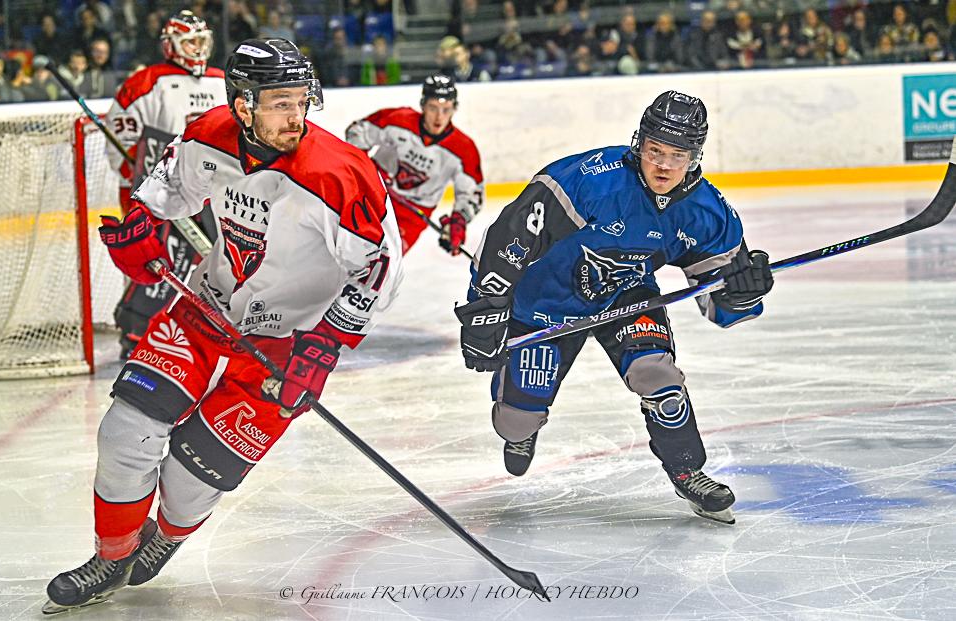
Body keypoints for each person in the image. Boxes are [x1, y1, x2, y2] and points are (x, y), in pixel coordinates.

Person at [43, 37, 402, 613]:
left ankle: (167, 536)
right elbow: (168, 189)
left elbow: (381, 268)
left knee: (193, 481)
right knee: (125, 434)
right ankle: (111, 558)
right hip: (204, 311)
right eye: (280, 104)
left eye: (301, 101)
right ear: (242, 105)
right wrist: (142, 224)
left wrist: (326, 345)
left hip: (286, 346)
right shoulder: (208, 134)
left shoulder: (340, 173)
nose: (296, 116)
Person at [454, 91, 774, 525]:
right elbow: (509, 237)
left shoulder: (706, 212)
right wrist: (486, 309)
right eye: (655, 151)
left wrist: (743, 292)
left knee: (656, 375)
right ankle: (521, 428)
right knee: (515, 421)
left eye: (677, 155)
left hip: (625, 294)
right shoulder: (590, 180)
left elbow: (721, 303)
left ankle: (686, 469)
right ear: (639, 143)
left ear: (695, 156)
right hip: (543, 300)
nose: (663, 166)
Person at [105, 10, 227, 359]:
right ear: (171, 45)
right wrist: (143, 178)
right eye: (190, 41)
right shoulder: (145, 82)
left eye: (202, 41)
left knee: (219, 259)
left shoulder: (222, 81)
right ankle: (136, 330)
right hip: (161, 190)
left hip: (212, 191)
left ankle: (211, 327)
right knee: (157, 259)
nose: (198, 48)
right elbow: (122, 143)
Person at [345, 74, 484, 256]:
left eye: (446, 109)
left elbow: (472, 193)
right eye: (433, 108)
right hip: (374, 193)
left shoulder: (464, 149)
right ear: (423, 105)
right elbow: (358, 131)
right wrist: (363, 168)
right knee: (345, 244)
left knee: (382, 259)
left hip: (411, 217)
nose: (439, 116)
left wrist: (458, 221)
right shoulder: (398, 120)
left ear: (454, 109)